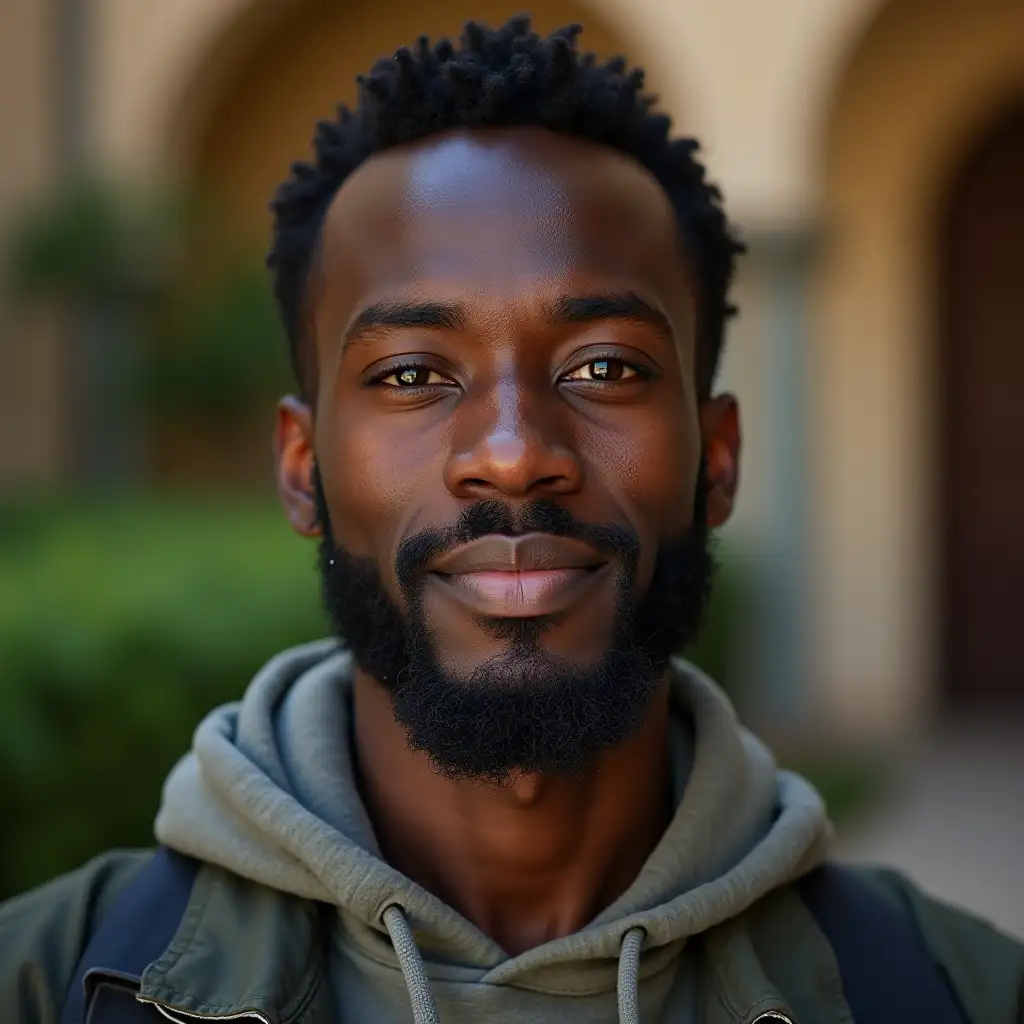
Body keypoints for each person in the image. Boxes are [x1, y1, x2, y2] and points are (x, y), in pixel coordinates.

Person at [2, 16, 1022, 1024]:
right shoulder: (49, 984)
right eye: (410, 374)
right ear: (303, 469)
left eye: (605, 368)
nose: (512, 451)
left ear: (716, 460)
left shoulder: (954, 993)